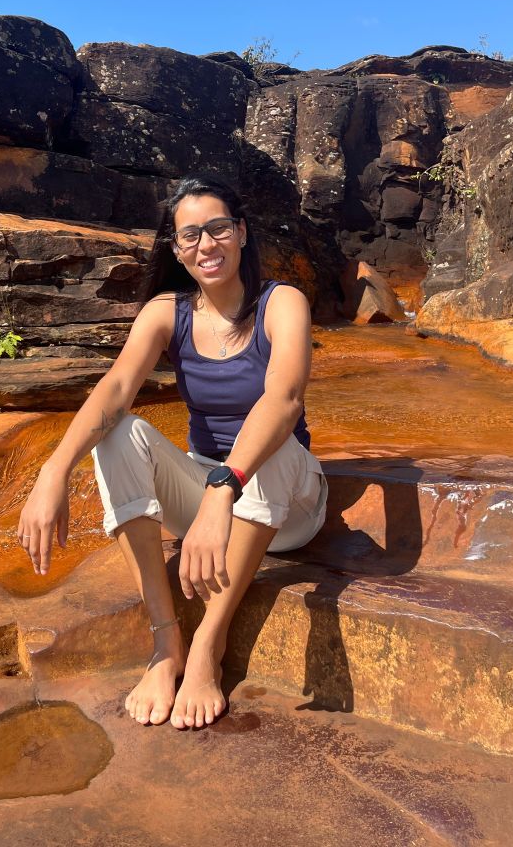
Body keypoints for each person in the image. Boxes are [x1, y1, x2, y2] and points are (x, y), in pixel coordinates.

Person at [17, 177, 328, 730]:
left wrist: (222, 490)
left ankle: (208, 643)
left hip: (290, 505)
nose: (206, 244)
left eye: (218, 228)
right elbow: (116, 388)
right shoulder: (168, 310)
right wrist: (54, 469)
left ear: (241, 233)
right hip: (208, 489)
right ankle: (166, 643)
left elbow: (283, 399)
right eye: (190, 235)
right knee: (118, 433)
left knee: (272, 439)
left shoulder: (281, 302)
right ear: (178, 250)